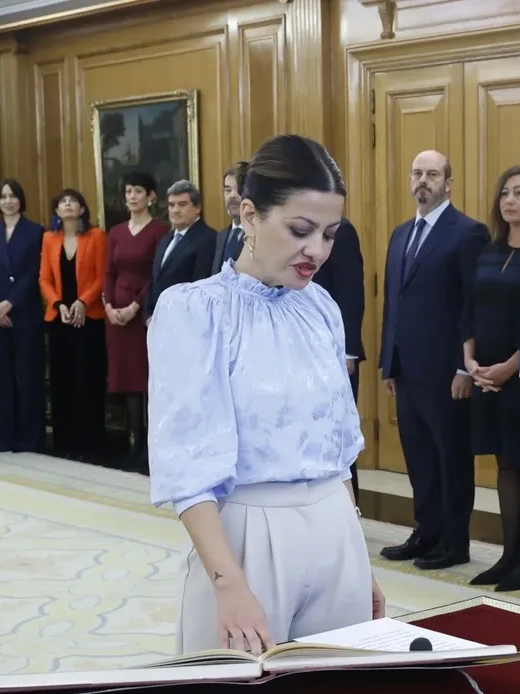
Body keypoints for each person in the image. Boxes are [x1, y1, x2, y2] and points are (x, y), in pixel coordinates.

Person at [148, 134, 385, 655]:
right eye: (300, 230)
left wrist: (357, 560)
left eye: (329, 234)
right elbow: (187, 466)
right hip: (247, 536)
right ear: (250, 215)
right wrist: (228, 585)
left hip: (335, 529)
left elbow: (337, 449)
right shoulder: (195, 311)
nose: (316, 251)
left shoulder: (321, 306)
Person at [378, 150, 489, 571]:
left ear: (449, 184)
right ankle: (425, 532)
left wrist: (466, 366)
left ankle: (453, 541)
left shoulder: (468, 233)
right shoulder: (401, 233)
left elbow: (471, 305)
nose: (423, 180)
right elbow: (394, 300)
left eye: (432, 174)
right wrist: (390, 361)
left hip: (447, 372)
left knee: (451, 458)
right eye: (417, 172)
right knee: (419, 456)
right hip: (406, 369)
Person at [464, 165, 520, 592]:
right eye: (504, 192)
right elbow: (471, 306)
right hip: (487, 375)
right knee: (503, 461)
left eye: (519, 192)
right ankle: (508, 554)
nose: (509, 200)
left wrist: (514, 365)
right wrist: (470, 358)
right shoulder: (489, 249)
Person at [103, 171, 169, 469]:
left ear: (150, 196)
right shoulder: (116, 232)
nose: (132, 196)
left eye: (138, 191)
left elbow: (156, 274)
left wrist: (134, 306)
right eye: (128, 191)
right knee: (124, 382)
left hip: (140, 315)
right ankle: (131, 442)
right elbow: (108, 272)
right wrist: (107, 305)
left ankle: (147, 447)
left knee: (144, 380)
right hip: (115, 316)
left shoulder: (159, 231)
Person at [39, 189, 109, 459]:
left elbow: (102, 275)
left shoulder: (97, 236)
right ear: (57, 211)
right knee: (62, 380)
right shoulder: (49, 239)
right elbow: (44, 278)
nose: (67, 205)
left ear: (82, 209)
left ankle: (90, 444)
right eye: (62, 202)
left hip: (88, 318)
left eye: (73, 201)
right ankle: (64, 442)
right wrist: (58, 304)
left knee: (89, 380)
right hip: (59, 318)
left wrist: (82, 301)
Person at [0, 179, 46, 453]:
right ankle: (3, 437)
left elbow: (33, 273)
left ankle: (29, 438)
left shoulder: (35, 231)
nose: (8, 201)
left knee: (28, 375)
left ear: (21, 200)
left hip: (24, 311)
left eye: (13, 196)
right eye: (3, 196)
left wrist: (10, 303)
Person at [312, 217, 365, 500]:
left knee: (339, 439)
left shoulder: (340, 230)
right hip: (303, 350)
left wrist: (348, 349)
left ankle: (349, 510)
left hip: (335, 352)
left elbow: (350, 290)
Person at [144, 180, 215, 321]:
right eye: (171, 205)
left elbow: (199, 287)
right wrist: (148, 314)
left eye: (182, 204)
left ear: (197, 207)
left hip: (184, 323)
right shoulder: (166, 239)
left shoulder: (208, 239)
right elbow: (154, 279)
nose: (175, 210)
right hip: (157, 321)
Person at [212, 162, 249, 274]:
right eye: (228, 190)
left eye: (239, 190)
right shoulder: (220, 236)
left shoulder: (261, 236)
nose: (232, 195)